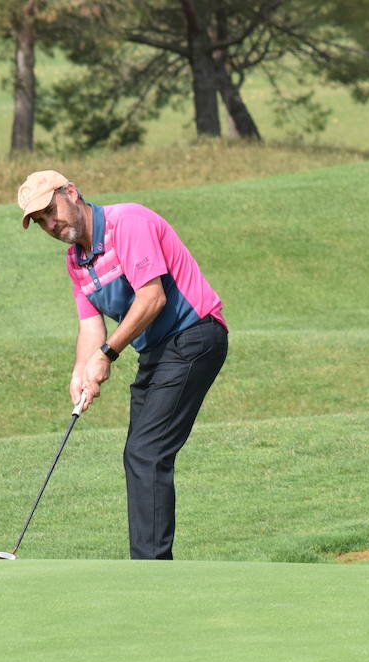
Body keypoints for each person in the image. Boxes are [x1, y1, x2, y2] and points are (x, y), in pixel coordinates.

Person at [16, 170, 229, 560]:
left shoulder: (126, 222)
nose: (50, 223)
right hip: (159, 352)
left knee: (148, 450)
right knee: (138, 453)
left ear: (72, 193)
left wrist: (107, 355)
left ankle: (150, 570)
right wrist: (81, 373)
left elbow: (152, 299)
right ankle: (146, 564)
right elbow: (89, 327)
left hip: (195, 335)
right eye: (41, 220)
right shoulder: (77, 261)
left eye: (51, 210)